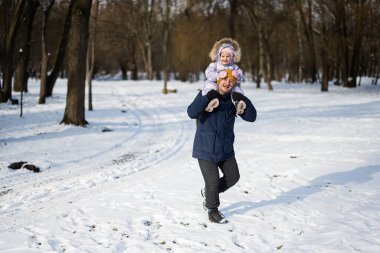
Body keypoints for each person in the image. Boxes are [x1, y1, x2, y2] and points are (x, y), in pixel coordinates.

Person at [187, 68, 257, 224]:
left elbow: (252, 117)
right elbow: (191, 112)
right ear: (218, 80)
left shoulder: (233, 99)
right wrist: (208, 97)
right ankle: (212, 210)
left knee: (233, 177)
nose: (228, 83)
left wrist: (242, 99)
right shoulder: (206, 93)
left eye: (231, 81)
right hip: (206, 148)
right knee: (212, 181)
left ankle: (208, 193)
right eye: (225, 79)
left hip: (225, 148)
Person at [203, 38, 245, 113]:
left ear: (232, 57)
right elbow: (208, 73)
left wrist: (237, 75)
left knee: (237, 89)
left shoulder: (234, 67)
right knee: (210, 85)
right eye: (223, 56)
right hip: (216, 84)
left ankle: (239, 103)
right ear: (219, 56)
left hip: (229, 86)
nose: (225, 58)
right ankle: (212, 100)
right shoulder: (215, 65)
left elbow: (241, 77)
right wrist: (218, 75)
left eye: (228, 56)